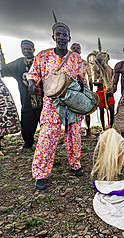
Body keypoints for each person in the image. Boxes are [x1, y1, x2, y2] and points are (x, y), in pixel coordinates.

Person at [27, 20, 86, 190]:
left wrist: (84, 99)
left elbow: (83, 80)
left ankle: (75, 165)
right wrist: (32, 83)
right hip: (51, 104)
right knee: (47, 137)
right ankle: (40, 173)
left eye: (64, 34)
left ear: (69, 38)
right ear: (53, 37)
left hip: (71, 103)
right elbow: (33, 74)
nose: (61, 37)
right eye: (58, 34)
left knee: (74, 135)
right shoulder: (43, 56)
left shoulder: (76, 59)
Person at [0, 40, 43, 152]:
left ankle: (46, 143)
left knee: (45, 122)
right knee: (27, 123)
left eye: (29, 49)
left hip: (43, 100)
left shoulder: (40, 62)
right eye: (24, 49)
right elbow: (4, 70)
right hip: (26, 100)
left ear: (33, 49)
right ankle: (28, 144)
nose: (27, 51)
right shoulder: (18, 64)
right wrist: (1, 56)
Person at [70, 43, 95, 137]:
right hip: (71, 90)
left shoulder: (84, 63)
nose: (76, 49)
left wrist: (91, 90)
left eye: (78, 48)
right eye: (74, 48)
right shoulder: (66, 62)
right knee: (72, 111)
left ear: (80, 50)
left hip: (84, 88)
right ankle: (73, 133)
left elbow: (90, 77)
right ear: (71, 49)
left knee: (87, 109)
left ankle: (88, 131)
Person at [94, 52, 115, 130]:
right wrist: (100, 81)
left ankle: (111, 127)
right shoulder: (97, 70)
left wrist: (110, 87)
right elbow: (95, 82)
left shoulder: (111, 70)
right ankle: (103, 128)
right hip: (100, 92)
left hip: (109, 92)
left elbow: (114, 82)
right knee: (102, 111)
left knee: (112, 111)